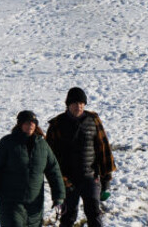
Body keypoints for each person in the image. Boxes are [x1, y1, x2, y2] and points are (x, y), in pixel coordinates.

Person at [46, 88, 116, 227]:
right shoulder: (57, 124)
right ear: (68, 105)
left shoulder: (93, 120)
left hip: (90, 177)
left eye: (81, 103)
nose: (78, 106)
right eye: (75, 103)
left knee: (94, 214)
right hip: (67, 181)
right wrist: (59, 181)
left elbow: (103, 149)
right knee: (67, 217)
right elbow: (49, 157)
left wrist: (106, 179)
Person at [0, 110, 65, 227]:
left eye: (33, 122)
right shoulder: (7, 143)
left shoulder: (42, 145)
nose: (30, 125)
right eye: (27, 122)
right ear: (20, 124)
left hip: (35, 203)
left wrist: (58, 196)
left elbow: (53, 170)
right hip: (10, 201)